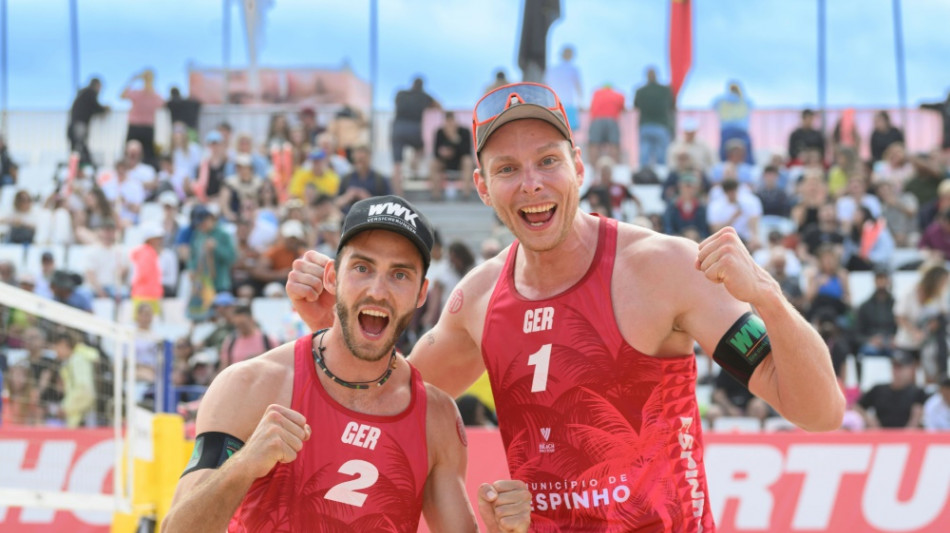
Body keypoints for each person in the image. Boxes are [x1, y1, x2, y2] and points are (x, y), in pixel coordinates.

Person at [287, 82, 844, 530]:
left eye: (547, 161)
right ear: (482, 187)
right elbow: (387, 396)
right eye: (507, 169)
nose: (530, 184)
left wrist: (766, 295)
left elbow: (819, 412)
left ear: (578, 167)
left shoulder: (664, 268)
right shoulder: (478, 301)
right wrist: (331, 325)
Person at [163, 195, 531, 532]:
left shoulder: (435, 417)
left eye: (399, 274)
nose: (377, 290)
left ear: (421, 293)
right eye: (362, 268)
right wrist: (243, 467)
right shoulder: (253, 385)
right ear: (333, 276)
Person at [391, 77, 440, 196]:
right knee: (422, 148)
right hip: (414, 128)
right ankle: (414, 163)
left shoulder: (401, 93)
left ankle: (398, 194)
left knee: (397, 165)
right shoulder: (424, 96)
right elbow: (439, 106)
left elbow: (396, 103)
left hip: (397, 128)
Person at [853, 350, 928, 429]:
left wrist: (913, 424)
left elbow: (925, 415)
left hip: (908, 436)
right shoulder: (878, 389)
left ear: (910, 369)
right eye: (894, 366)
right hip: (880, 435)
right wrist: (869, 420)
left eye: (900, 367)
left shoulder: (918, 392)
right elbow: (857, 406)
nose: (897, 371)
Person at [120, 69, 165, 167]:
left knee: (147, 154)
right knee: (130, 152)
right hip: (137, 127)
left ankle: (146, 174)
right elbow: (122, 96)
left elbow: (162, 103)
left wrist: (133, 80)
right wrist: (133, 80)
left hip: (145, 127)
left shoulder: (153, 95)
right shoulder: (141, 93)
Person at [633, 67, 675, 170]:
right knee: (661, 155)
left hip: (645, 126)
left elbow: (636, 105)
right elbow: (672, 105)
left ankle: (643, 175)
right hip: (661, 125)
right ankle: (661, 174)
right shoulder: (665, 90)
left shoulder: (640, 91)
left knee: (645, 153)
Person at [429, 111, 474, 200]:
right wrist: (443, 153)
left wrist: (455, 139)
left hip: (460, 162)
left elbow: (467, 151)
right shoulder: (440, 132)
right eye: (447, 121)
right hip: (445, 162)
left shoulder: (464, 131)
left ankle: (466, 194)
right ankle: (436, 195)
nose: (450, 124)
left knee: (468, 161)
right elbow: (435, 152)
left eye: (451, 121)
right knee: (433, 163)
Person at [67, 77, 109, 167]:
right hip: (79, 124)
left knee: (77, 146)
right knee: (79, 145)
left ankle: (79, 165)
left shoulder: (83, 93)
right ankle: (84, 165)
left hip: (75, 124)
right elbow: (96, 106)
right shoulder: (90, 93)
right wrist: (105, 109)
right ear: (96, 85)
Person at [543, 45, 583, 131]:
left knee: (554, 130)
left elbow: (545, 86)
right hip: (568, 104)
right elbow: (578, 88)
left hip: (553, 104)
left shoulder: (551, 69)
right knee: (570, 133)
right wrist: (580, 103)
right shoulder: (573, 69)